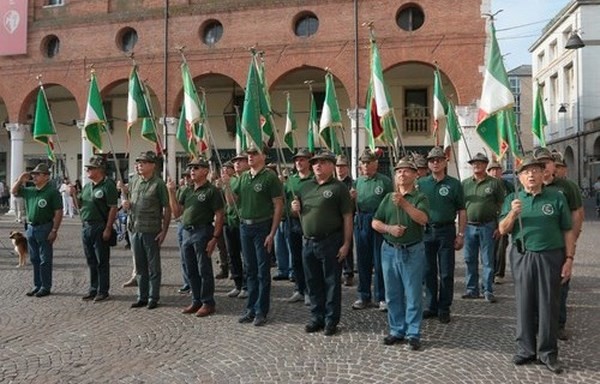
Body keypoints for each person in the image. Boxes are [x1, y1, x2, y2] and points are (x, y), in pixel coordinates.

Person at [499, 155, 575, 375]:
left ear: (544, 174)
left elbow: (567, 230)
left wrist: (569, 259)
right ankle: (525, 349)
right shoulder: (513, 199)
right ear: (520, 177)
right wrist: (513, 213)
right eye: (526, 172)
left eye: (535, 170)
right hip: (523, 255)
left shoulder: (556, 197)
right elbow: (503, 230)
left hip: (551, 256)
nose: (531, 174)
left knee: (548, 305)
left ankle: (548, 352)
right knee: (524, 303)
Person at [291, 150, 353, 336]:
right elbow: (298, 213)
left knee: (331, 282)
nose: (317, 165)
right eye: (315, 162)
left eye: (323, 162)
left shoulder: (338, 188)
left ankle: (331, 319)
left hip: (331, 240)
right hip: (308, 242)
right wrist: (294, 209)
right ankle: (316, 317)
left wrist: (346, 243)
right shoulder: (305, 187)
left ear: (332, 166)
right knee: (313, 282)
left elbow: (347, 217)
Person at [222, 144, 283, 326]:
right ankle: (250, 308)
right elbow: (232, 202)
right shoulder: (243, 178)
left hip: (262, 226)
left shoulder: (270, 178)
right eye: (248, 154)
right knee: (250, 270)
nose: (250, 157)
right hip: (245, 227)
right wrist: (227, 185)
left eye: (254, 154)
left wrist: (272, 232)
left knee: (262, 271)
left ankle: (261, 310)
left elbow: (278, 205)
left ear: (263, 156)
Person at [372, 157, 429, 350]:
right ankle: (397, 330)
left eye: (406, 171)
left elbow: (422, 219)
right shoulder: (388, 198)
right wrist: (389, 228)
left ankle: (413, 333)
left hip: (412, 251)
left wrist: (404, 204)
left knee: (413, 294)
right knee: (392, 294)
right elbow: (375, 222)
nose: (401, 174)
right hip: (389, 250)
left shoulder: (420, 197)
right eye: (398, 171)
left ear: (414, 175)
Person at [535, 147, 583, 341]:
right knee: (537, 286)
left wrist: (573, 241)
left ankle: (559, 323)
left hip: (562, 244)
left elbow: (577, 214)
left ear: (553, 165)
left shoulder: (566, 187)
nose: (544, 167)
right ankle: (538, 322)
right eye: (540, 163)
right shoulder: (531, 186)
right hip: (540, 246)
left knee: (560, 286)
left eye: (547, 162)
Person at [167, 157, 224, 317]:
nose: (192, 170)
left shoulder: (211, 191)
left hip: (203, 231)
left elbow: (219, 215)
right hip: (187, 231)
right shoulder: (187, 190)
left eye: (197, 168)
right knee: (190, 268)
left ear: (205, 171)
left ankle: (208, 302)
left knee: (203, 268)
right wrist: (171, 192)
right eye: (191, 167)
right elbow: (177, 213)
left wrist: (215, 237)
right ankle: (196, 299)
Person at [417, 146, 466, 324]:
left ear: (445, 162)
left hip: (446, 231)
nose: (435, 163)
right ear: (428, 164)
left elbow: (462, 210)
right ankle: (431, 305)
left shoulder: (454, 184)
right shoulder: (421, 184)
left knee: (446, 271)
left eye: (438, 160)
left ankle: (444, 307)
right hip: (426, 231)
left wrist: (461, 234)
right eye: (432, 160)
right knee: (428, 271)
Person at [121, 151, 171, 309]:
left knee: (153, 266)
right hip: (135, 228)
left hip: (151, 230)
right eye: (139, 162)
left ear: (153, 166)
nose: (140, 165)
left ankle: (153, 297)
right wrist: (125, 203)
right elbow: (129, 201)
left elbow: (166, 208)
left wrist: (164, 230)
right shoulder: (135, 181)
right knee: (140, 266)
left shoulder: (158, 184)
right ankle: (141, 296)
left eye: (144, 162)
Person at [11, 163, 63, 297]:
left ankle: (45, 286)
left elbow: (58, 211)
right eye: (33, 174)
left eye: (37, 174)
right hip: (31, 227)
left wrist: (54, 230)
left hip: (45, 226)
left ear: (46, 176)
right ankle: (37, 285)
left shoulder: (52, 192)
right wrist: (20, 179)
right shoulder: (30, 190)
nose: (34, 176)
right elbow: (13, 191)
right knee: (34, 258)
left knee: (45, 258)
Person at [351, 148, 393, 311]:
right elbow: (351, 207)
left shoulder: (384, 181)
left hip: (379, 220)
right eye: (363, 163)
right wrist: (351, 198)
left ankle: (381, 296)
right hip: (362, 220)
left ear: (375, 164)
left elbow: (390, 202)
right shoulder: (358, 182)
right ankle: (363, 295)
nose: (366, 165)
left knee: (380, 261)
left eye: (369, 162)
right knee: (363, 261)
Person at [461, 153, 505, 303]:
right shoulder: (465, 183)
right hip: (469, 227)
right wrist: (460, 229)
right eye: (474, 163)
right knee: (469, 259)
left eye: (480, 163)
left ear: (486, 165)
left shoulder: (494, 183)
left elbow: (501, 205)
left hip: (488, 225)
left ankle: (487, 290)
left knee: (487, 260)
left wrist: (499, 226)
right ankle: (471, 289)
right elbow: (461, 208)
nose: (476, 165)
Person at [77, 156, 119, 302]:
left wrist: (108, 228)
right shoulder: (87, 187)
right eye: (87, 168)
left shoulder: (108, 185)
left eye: (91, 168)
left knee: (102, 260)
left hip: (100, 225)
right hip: (87, 226)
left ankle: (103, 290)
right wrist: (72, 194)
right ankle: (93, 288)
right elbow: (80, 203)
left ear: (100, 170)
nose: (87, 170)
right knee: (91, 260)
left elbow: (113, 208)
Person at [284, 148, 313, 304]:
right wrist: (290, 209)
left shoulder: (314, 180)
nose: (299, 162)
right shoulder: (291, 180)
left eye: (302, 159)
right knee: (295, 258)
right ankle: (299, 289)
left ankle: (309, 290)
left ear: (309, 161)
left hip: (309, 222)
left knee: (308, 259)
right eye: (296, 160)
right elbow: (284, 201)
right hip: (293, 223)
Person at [222, 154, 249, 299]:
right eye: (235, 161)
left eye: (240, 161)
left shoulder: (247, 179)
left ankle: (247, 285)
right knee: (233, 255)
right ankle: (238, 284)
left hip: (244, 221)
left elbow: (234, 200)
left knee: (246, 256)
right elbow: (227, 202)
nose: (237, 163)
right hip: (230, 221)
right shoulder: (230, 180)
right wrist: (225, 185)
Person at [486, 161, 515, 284]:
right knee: (488, 249)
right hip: (488, 220)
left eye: (497, 169)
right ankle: (488, 272)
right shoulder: (486, 184)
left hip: (502, 220)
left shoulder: (507, 185)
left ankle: (499, 273)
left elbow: (514, 197)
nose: (495, 172)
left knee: (501, 247)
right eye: (492, 170)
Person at [335, 154, 355, 287]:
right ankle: (337, 272)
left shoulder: (351, 183)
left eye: (342, 166)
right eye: (338, 166)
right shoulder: (333, 182)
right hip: (334, 218)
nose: (340, 169)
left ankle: (348, 273)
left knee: (348, 244)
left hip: (348, 217)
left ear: (347, 168)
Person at [175, 170, 192, 294]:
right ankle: (187, 282)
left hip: (193, 224)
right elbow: (176, 208)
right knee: (183, 255)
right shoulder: (182, 189)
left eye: (188, 176)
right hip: (181, 223)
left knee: (193, 257)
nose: (186, 178)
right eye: (184, 176)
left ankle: (195, 283)